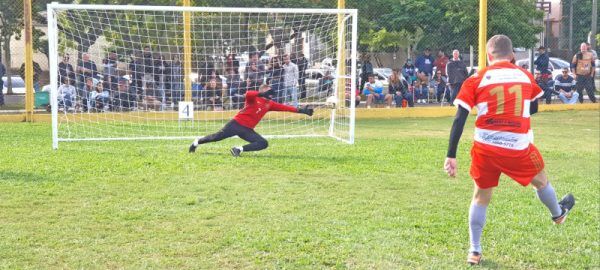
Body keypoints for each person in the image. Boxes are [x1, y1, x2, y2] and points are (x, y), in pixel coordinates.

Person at [444, 35, 575, 266]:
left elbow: (459, 118)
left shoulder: (477, 78)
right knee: (541, 180)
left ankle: (474, 251)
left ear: (487, 55)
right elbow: (533, 106)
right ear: (512, 56)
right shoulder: (524, 75)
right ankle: (558, 214)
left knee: (480, 197)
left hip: (486, 148)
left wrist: (451, 155)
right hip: (517, 147)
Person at [188, 84, 314, 157]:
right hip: (236, 124)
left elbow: (285, 108)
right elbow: (248, 94)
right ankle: (196, 142)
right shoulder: (254, 98)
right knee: (216, 137)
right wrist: (261, 94)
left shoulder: (269, 104)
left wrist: (302, 111)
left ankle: (238, 149)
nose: (270, 93)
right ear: (263, 90)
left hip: (247, 130)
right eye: (268, 91)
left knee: (263, 143)